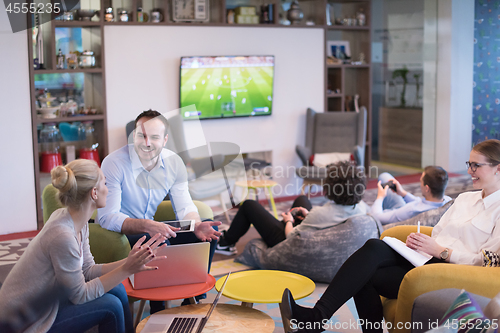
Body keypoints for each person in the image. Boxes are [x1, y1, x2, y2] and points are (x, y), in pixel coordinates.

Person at [279, 139, 500, 333]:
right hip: (428, 260)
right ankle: (317, 318)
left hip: (454, 274)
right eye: (469, 164)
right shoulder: (464, 199)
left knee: (366, 278)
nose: (470, 170)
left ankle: (316, 319)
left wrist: (442, 251)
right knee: (374, 247)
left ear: (497, 169)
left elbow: (489, 262)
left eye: (476, 165)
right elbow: (439, 233)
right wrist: (421, 244)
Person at [0, 160, 166, 333]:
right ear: (94, 192)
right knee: (111, 306)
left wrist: (131, 262)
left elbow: (87, 270)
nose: (108, 189)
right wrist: (126, 269)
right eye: (105, 183)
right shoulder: (62, 236)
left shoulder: (76, 221)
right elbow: (80, 295)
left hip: (44, 305)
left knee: (117, 288)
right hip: (23, 322)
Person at [97, 110, 221, 312]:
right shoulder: (114, 162)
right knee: (159, 240)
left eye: (154, 137)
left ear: (164, 140)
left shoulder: (174, 163)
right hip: (122, 232)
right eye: (141, 135)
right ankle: (159, 310)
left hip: (152, 227)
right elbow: (107, 216)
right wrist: (147, 224)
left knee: (207, 235)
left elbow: (185, 206)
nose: (146, 142)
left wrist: (195, 225)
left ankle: (191, 300)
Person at [216, 161, 370, 255]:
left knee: (249, 205)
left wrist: (289, 221)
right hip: (316, 234)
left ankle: (226, 243)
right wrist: (308, 215)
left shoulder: (320, 214)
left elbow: (290, 237)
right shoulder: (361, 208)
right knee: (302, 199)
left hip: (286, 242)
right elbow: (323, 220)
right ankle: (285, 221)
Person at [371, 166, 451, 225]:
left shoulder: (411, 210)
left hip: (392, 215)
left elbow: (377, 217)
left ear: (427, 188)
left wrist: (380, 197)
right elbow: (421, 203)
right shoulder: (448, 202)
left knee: (361, 206)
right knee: (385, 176)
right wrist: (403, 193)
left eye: (421, 181)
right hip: (403, 210)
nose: (420, 184)